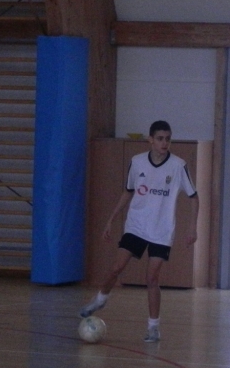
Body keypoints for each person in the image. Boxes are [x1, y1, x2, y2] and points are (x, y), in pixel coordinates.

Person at [79, 120, 198, 343]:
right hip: (136, 225)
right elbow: (128, 192)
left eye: (168, 139)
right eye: (160, 138)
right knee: (117, 267)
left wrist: (192, 226)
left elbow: (194, 197)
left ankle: (153, 327)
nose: (164, 143)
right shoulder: (137, 162)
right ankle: (100, 300)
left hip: (162, 230)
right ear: (150, 140)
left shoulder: (178, 166)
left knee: (152, 278)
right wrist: (111, 219)